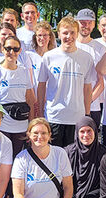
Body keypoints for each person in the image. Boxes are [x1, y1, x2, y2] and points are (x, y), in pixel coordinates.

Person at [36, 17, 95, 147]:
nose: (69, 36)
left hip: (77, 118)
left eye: (72, 32)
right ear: (58, 34)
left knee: (73, 156)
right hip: (54, 117)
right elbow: (41, 85)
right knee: (53, 154)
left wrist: (87, 114)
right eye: (65, 33)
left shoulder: (86, 58)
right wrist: (40, 111)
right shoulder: (49, 57)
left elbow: (87, 88)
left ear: (77, 33)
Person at [0, 35, 35, 157]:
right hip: (2, 126)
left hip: (21, 126)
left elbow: (30, 100)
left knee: (17, 158)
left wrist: (31, 124)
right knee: (2, 160)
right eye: (8, 48)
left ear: (20, 51)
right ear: (2, 49)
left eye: (15, 49)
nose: (11, 52)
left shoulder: (24, 71)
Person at [76, 9, 106, 127]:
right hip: (72, 106)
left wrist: (87, 102)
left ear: (94, 25)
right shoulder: (71, 45)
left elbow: (101, 81)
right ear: (77, 23)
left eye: (89, 22)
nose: (86, 26)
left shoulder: (100, 48)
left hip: (93, 107)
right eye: (83, 22)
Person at [25, 21, 56, 93]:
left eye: (45, 35)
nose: (42, 38)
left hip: (49, 97)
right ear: (35, 37)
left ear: (50, 37)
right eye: (39, 35)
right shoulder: (28, 55)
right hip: (33, 96)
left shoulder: (54, 56)